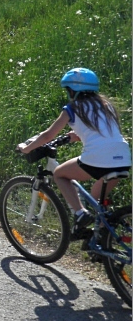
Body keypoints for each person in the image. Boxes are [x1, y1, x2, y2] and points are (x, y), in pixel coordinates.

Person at [17, 67, 131, 238]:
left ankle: (80, 213)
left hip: (98, 158)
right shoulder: (107, 106)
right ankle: (102, 239)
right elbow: (106, 133)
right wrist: (78, 136)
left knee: (59, 174)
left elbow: (48, 135)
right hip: (123, 158)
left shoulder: (72, 108)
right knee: (97, 202)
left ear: (72, 90)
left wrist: (26, 148)